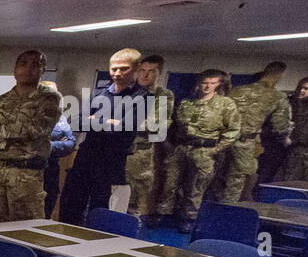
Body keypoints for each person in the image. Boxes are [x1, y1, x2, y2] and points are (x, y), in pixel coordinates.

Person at [57, 48, 149, 225]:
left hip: (112, 162)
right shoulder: (99, 93)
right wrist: (109, 122)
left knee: (103, 210)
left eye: (124, 69)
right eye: (114, 69)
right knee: (71, 204)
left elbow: (126, 130)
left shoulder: (143, 97)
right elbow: (77, 122)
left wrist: (95, 120)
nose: (117, 73)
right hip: (86, 157)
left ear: (136, 68)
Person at [0, 50, 59, 223]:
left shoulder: (49, 98)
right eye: (23, 64)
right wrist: (11, 131)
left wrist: (0, 128)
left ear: (43, 70)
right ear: (15, 69)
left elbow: (34, 130)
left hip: (26, 174)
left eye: (35, 65)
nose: (28, 69)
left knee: (24, 229)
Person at [156, 69, 241, 232]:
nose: (207, 86)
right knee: (170, 182)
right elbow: (173, 125)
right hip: (181, 147)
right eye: (204, 82)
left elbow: (233, 131)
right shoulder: (186, 102)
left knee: (196, 186)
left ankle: (188, 217)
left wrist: (216, 149)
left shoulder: (226, 104)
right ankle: (163, 213)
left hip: (205, 150)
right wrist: (168, 144)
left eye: (212, 83)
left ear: (218, 84)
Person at [225, 61, 292, 198]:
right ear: (279, 75)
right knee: (236, 181)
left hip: (223, 139)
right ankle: (227, 211)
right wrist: (287, 137)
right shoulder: (277, 96)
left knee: (218, 177)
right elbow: (280, 125)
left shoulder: (238, 90)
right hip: (245, 142)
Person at [127, 54, 173, 220]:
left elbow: (157, 124)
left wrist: (121, 123)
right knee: (111, 196)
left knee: (134, 199)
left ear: (158, 73)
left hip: (140, 154)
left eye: (151, 71)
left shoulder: (163, 95)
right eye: (142, 70)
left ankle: (129, 235)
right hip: (117, 151)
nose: (145, 75)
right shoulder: (127, 91)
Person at [283, 77, 308, 180]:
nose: (301, 91)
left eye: (306, 89)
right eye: (300, 88)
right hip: (295, 150)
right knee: (290, 181)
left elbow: (306, 128)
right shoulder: (293, 103)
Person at [44, 114, 76, 218]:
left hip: (51, 173)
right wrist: (57, 143)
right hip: (28, 172)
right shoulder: (26, 112)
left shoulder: (59, 118)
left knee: (46, 215)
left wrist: (49, 145)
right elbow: (28, 144)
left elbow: (70, 143)